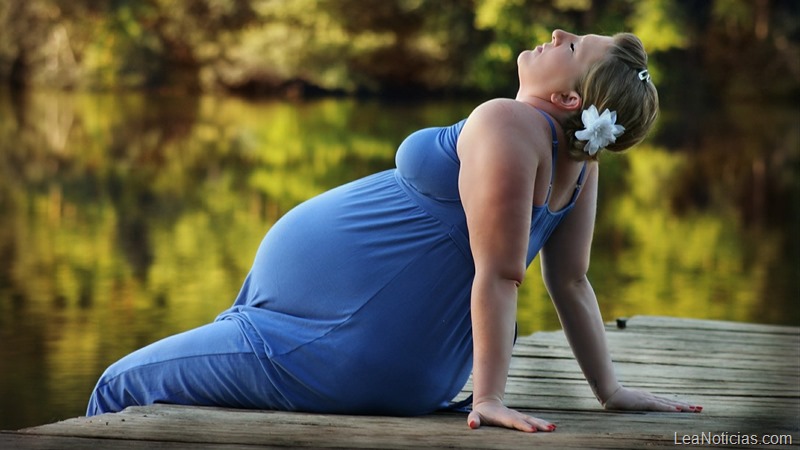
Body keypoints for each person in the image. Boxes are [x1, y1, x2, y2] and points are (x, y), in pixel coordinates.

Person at [87, 29, 701, 433]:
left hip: (326, 345)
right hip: (361, 347)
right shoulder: (579, 163)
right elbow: (571, 282)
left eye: (572, 46)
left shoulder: (508, 122)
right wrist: (609, 390)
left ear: (569, 99)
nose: (558, 34)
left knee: (117, 388)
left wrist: (487, 398)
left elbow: (501, 273)